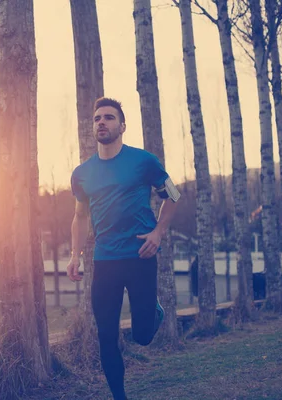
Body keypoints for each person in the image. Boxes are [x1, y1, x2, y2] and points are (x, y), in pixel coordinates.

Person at [67, 97, 180, 400]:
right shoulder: (82, 173)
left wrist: (158, 232)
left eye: (109, 117)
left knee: (142, 336)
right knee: (106, 336)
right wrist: (75, 256)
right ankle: (119, 396)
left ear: (122, 126)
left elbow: (173, 195)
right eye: (97, 119)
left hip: (141, 256)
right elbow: (80, 216)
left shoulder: (143, 161)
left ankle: (153, 311)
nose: (101, 122)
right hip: (104, 261)